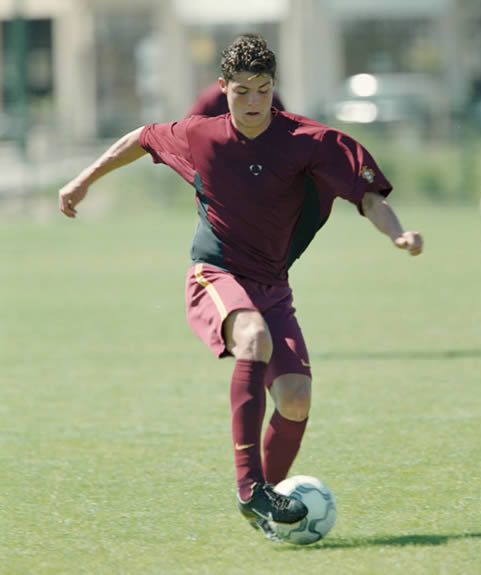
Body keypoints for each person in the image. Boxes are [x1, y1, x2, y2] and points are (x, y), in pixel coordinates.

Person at [58, 34, 423, 541]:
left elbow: (366, 196)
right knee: (253, 337)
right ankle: (249, 488)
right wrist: (83, 180)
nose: (253, 103)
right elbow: (141, 138)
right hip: (215, 274)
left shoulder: (310, 141)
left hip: (273, 285)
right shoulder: (199, 135)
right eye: (242, 91)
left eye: (264, 90)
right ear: (222, 88)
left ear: (276, 88)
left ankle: (266, 501)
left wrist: (397, 232)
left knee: (295, 399)